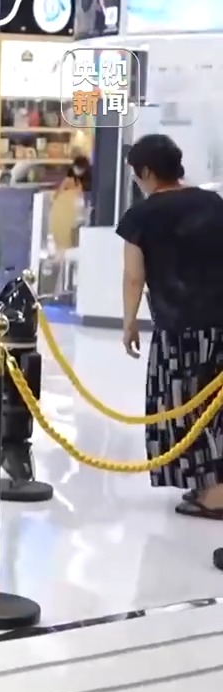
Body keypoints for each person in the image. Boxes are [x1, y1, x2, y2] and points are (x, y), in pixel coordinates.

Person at [115, 134, 223, 520]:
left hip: (179, 328)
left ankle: (215, 494)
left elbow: (134, 277)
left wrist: (129, 323)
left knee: (183, 405)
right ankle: (212, 485)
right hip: (220, 323)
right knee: (216, 406)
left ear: (146, 172)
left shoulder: (141, 216)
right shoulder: (213, 203)